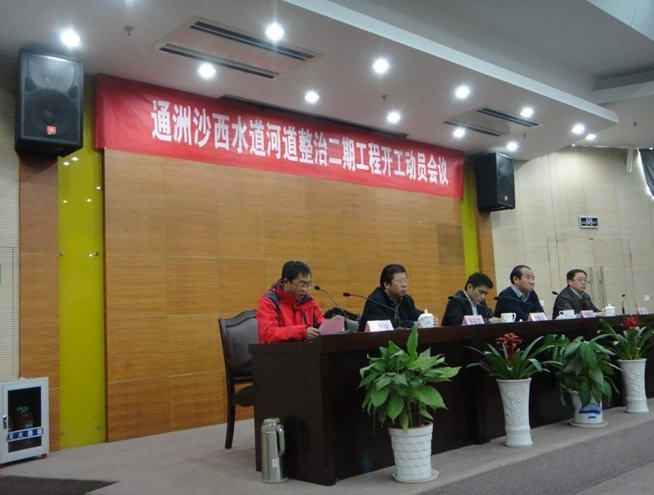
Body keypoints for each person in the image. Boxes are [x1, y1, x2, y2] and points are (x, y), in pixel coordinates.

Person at [256, 260, 324, 343]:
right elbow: (268, 334)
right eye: (302, 284)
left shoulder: (308, 301)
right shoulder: (270, 301)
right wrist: (302, 332)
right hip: (279, 350)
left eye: (308, 285)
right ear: (286, 282)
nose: (305, 289)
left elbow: (322, 323)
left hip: (306, 349)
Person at [358, 264, 422, 331]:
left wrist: (425, 318)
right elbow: (385, 325)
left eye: (405, 280)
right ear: (386, 284)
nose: (404, 285)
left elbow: (415, 315)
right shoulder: (375, 301)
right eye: (399, 281)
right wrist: (412, 324)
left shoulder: (406, 299)